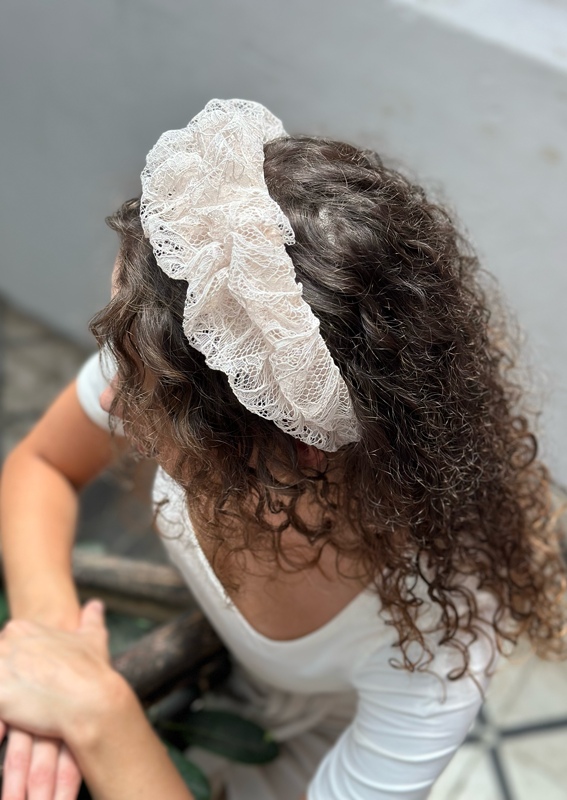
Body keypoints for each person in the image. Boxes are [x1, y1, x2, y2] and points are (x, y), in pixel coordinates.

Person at [0, 99, 565, 800]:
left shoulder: (433, 644)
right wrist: (51, 642)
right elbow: (43, 465)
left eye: (142, 393)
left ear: (283, 454)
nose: (115, 392)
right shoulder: (190, 344)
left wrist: (102, 716)